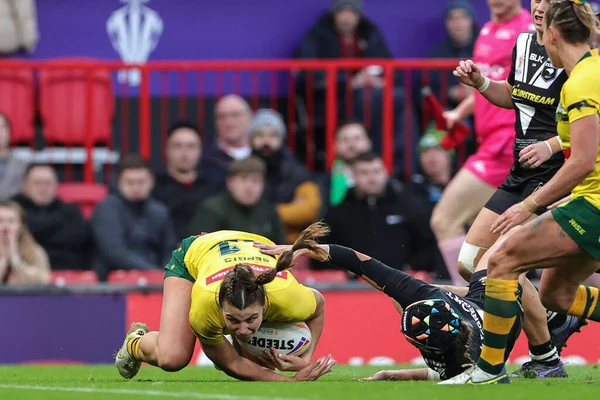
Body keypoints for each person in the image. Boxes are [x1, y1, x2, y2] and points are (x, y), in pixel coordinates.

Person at [439, 0, 600, 384]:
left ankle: (497, 368)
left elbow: (581, 157)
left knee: (502, 261)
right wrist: (480, 83)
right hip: (524, 173)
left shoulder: (582, 75)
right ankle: (543, 346)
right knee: (546, 292)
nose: (540, 7)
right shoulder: (537, 51)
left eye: (550, 2)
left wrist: (550, 154)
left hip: (566, 184)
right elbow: (518, 97)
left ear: (558, 29)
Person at [255, 223, 523, 382]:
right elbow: (359, 261)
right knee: (510, 248)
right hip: (478, 301)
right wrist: (301, 249)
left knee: (515, 276)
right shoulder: (422, 296)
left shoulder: (471, 365)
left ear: (416, 342)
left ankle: (545, 348)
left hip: (503, 323)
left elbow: (445, 374)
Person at [114, 225, 335, 381]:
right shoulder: (204, 303)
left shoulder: (286, 295)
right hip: (194, 256)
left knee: (261, 366)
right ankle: (135, 342)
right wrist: (291, 381)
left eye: (251, 318)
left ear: (265, 305)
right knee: (173, 358)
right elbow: (233, 365)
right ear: (220, 307)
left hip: (247, 244)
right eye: (232, 319)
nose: (243, 329)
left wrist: (306, 359)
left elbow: (319, 307)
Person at [430, 0, 533, 285]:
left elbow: (517, 90)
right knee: (505, 247)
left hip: (507, 142)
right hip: (489, 140)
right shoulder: (487, 28)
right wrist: (458, 113)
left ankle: (467, 300)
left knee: (445, 220)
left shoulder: (527, 30)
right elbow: (487, 84)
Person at [188, 156, 284, 243]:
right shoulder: (212, 210)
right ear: (229, 182)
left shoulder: (268, 211)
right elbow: (196, 248)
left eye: (256, 181)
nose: (249, 187)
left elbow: (280, 249)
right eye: (243, 180)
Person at [0, 200, 50, 285]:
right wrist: (3, 260)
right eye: (0, 221)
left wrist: (15, 259)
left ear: (21, 226)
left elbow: (42, 281)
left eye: (11, 221)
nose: (6, 227)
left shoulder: (34, 251)